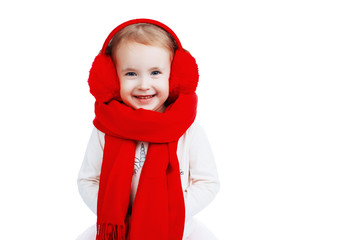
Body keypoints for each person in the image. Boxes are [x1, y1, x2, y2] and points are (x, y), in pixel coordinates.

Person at [76, 19, 220, 240]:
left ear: (174, 77)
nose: (144, 84)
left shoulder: (189, 130)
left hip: (179, 230)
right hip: (120, 230)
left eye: (155, 73)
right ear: (112, 79)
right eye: (131, 74)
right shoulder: (105, 129)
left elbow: (207, 182)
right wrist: (118, 214)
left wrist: (169, 213)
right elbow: (88, 180)